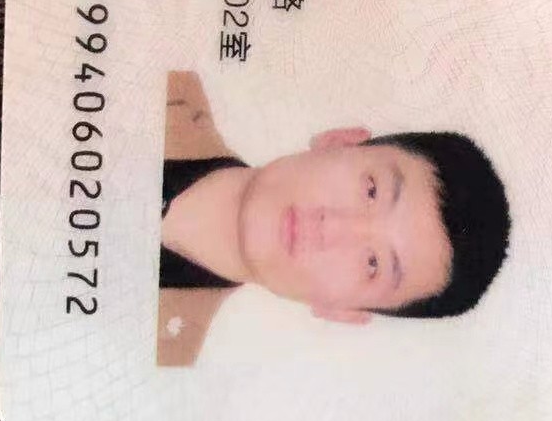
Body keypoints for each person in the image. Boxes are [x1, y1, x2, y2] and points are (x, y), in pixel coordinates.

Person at [157, 71, 511, 365]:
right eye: (371, 190)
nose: (334, 227)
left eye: (372, 264)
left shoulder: (162, 353)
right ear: (338, 140)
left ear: (342, 312)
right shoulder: (163, 83)